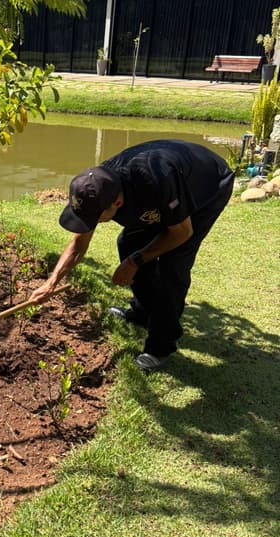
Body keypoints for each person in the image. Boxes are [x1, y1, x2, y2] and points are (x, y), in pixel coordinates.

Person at [28, 139, 235, 371]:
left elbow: (181, 233)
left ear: (116, 202)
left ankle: (161, 346)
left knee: (173, 265)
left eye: (94, 218)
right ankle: (143, 312)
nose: (89, 224)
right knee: (128, 242)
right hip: (161, 190)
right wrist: (51, 283)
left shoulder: (156, 180)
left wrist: (135, 261)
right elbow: (78, 245)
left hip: (208, 186)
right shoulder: (97, 187)